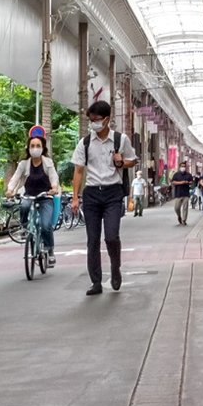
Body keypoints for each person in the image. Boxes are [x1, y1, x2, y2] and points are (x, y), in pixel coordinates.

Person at [71, 100, 137, 295]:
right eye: (91, 120)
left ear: (107, 119)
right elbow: (78, 171)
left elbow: (132, 161)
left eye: (97, 119)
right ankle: (96, 281)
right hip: (91, 193)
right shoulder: (85, 142)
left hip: (112, 193)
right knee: (93, 240)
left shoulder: (120, 139)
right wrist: (75, 197)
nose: (93, 123)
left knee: (111, 236)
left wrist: (121, 162)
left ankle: (115, 269)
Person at [6, 127, 60, 268]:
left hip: (45, 197)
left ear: (43, 148)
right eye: (32, 146)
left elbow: (54, 177)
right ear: (28, 148)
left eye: (38, 146)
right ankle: (24, 228)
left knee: (46, 225)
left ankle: (50, 249)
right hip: (29, 195)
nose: (35, 148)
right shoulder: (24, 164)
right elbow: (15, 178)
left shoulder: (48, 162)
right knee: (23, 206)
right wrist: (10, 190)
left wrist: (54, 188)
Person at [170, 161, 195, 225]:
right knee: (176, 208)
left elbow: (191, 182)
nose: (183, 167)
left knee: (185, 207)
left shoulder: (188, 175)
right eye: (182, 166)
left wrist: (188, 182)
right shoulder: (176, 174)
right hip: (178, 193)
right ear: (179, 167)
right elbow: (173, 182)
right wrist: (181, 182)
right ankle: (179, 216)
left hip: (186, 193)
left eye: (184, 166)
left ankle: (184, 220)